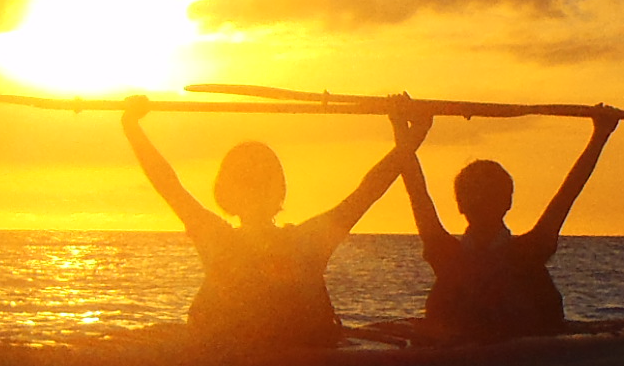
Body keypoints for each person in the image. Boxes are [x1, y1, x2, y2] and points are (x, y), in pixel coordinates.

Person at [122, 95, 428, 350]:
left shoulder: (217, 238)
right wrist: (411, 134)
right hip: (277, 364)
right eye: (248, 180)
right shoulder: (308, 241)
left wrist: (131, 126)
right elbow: (369, 190)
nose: (254, 188)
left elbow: (168, 184)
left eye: (258, 181)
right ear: (280, 190)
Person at [399, 109, 621, 342]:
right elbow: (567, 194)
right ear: (509, 202)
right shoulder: (523, 251)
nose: (482, 202)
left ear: (459, 205)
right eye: (477, 196)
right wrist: (600, 135)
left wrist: (404, 129)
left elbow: (416, 189)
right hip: (473, 354)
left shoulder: (519, 252)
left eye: (488, 196)